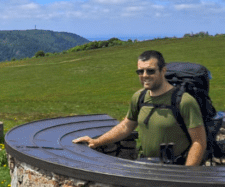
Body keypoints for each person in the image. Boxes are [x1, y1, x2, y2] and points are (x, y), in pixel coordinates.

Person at [73, 50, 207, 165]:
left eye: (150, 71)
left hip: (175, 168)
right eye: (140, 71)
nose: (144, 75)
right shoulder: (139, 97)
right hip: (146, 165)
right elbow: (126, 126)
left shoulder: (184, 101)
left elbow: (199, 141)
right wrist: (96, 142)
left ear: (163, 71)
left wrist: (187, 175)